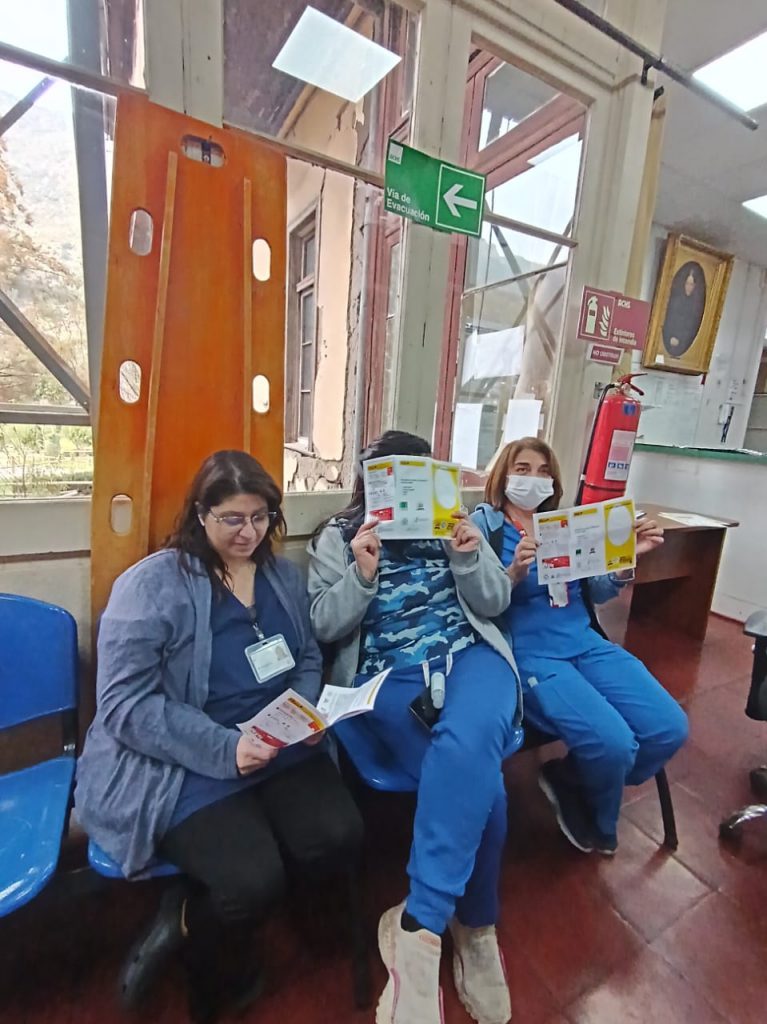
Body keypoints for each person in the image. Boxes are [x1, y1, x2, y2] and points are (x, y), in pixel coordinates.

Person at [76, 450, 362, 1024]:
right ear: (200, 514)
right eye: (231, 518)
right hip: (186, 757)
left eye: (260, 517)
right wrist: (225, 748)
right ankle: (199, 947)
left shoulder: (281, 576)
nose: (248, 532)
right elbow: (125, 705)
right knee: (250, 881)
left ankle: (306, 920)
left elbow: (307, 654)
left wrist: (303, 709)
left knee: (340, 833)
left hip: (277, 741)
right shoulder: (151, 586)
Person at [308, 430, 522, 1024]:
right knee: (485, 788)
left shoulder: (453, 524)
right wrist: (362, 575)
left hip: (472, 660)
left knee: (468, 749)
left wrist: (468, 556)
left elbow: (496, 603)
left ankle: (419, 927)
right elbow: (323, 625)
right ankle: (475, 926)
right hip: (389, 678)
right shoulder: (339, 535)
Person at [472, 437, 688, 856]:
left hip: (584, 640)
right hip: (530, 653)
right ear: (503, 475)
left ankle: (572, 777)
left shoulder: (563, 525)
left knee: (669, 728)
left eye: (543, 471)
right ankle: (599, 819)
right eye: (522, 469)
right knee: (614, 743)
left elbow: (596, 591)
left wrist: (625, 561)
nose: (533, 479)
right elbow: (478, 600)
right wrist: (513, 572)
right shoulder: (485, 526)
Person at [661, 260, 706, 357]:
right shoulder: (676, 300)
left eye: (691, 284)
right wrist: (671, 336)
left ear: (695, 286)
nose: (688, 287)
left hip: (685, 341)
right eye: (687, 284)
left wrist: (681, 339)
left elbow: (691, 327)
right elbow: (670, 320)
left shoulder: (695, 305)